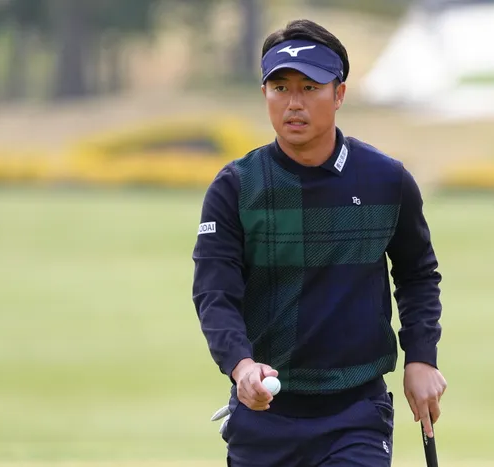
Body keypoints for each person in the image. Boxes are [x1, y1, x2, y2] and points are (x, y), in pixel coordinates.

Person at [192, 18, 447, 467]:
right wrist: (241, 365)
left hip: (356, 413)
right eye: (280, 88)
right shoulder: (237, 187)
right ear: (265, 93)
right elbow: (215, 293)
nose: (294, 103)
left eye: (310, 88)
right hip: (264, 412)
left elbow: (417, 274)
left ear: (339, 94)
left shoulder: (385, 180)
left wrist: (421, 358)